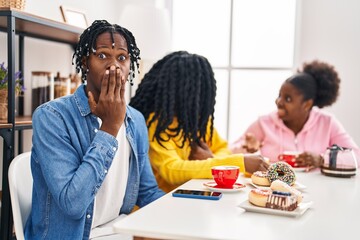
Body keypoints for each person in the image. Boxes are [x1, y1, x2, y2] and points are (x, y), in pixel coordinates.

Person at [24, 20, 164, 239]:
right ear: (85, 62)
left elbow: (147, 192)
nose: (113, 66)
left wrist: (185, 209)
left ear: (130, 65)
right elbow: (73, 204)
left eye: (122, 57)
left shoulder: (135, 120)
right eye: (102, 55)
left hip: (117, 234)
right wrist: (110, 126)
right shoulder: (52, 117)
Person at [130, 51, 268, 192]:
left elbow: (223, 148)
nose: (198, 99)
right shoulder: (158, 125)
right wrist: (239, 162)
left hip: (194, 198)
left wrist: (209, 158)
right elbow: (171, 170)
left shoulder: (198, 121)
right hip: (164, 202)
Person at [230, 60, 360, 170]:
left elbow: (356, 157)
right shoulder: (264, 123)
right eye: (279, 95)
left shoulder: (327, 123)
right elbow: (230, 152)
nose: (278, 102)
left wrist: (322, 159)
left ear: (307, 105)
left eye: (287, 99)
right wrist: (247, 148)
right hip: (273, 192)